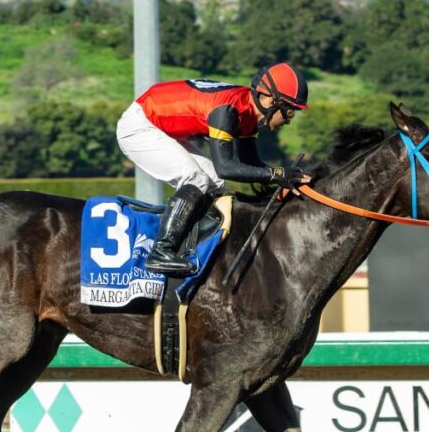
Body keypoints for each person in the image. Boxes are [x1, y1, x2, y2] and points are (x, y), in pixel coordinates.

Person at [116, 62, 312, 276]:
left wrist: (282, 177)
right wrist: (276, 175)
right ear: (271, 101)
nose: (288, 121)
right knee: (196, 179)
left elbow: (250, 164)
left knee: (214, 183)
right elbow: (226, 167)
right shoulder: (228, 111)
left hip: (163, 127)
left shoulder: (249, 113)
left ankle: (193, 246)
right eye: (289, 112)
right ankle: (161, 252)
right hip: (139, 126)